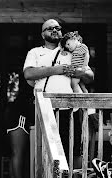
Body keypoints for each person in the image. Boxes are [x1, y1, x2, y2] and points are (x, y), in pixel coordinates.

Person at [23, 19, 94, 167]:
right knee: (46, 152)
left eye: (57, 27)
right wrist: (57, 69)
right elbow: (28, 73)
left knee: (73, 151)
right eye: (49, 28)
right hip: (46, 109)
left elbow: (90, 77)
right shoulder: (35, 52)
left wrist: (77, 71)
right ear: (42, 35)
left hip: (70, 109)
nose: (54, 30)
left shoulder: (71, 50)